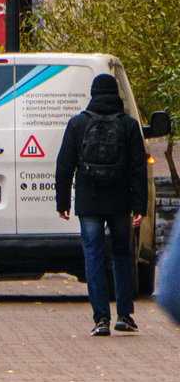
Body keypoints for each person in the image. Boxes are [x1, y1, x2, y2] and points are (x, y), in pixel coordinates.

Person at [56, 71, 149, 335]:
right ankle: (124, 315)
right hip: (120, 202)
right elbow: (138, 169)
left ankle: (100, 319)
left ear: (93, 95)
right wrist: (139, 206)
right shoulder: (129, 125)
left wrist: (63, 202)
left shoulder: (78, 124)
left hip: (89, 202)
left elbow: (64, 165)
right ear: (116, 95)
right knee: (121, 255)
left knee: (93, 255)